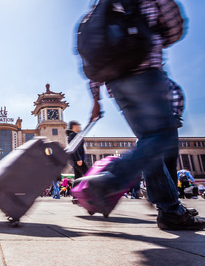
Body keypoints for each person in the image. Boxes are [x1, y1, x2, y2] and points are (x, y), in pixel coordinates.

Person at [82, 0, 204, 230]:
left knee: (151, 143)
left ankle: (170, 209)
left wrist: (96, 98)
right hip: (145, 73)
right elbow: (175, 27)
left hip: (116, 85)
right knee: (162, 139)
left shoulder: (99, 7)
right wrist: (154, 39)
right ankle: (110, 179)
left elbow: (92, 52)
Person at [66, 121, 89, 204]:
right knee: (89, 175)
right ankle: (91, 194)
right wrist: (78, 159)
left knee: (78, 177)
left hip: (75, 160)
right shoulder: (73, 136)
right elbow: (74, 148)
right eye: (78, 125)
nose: (79, 127)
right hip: (77, 160)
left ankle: (75, 197)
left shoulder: (73, 135)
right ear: (73, 126)